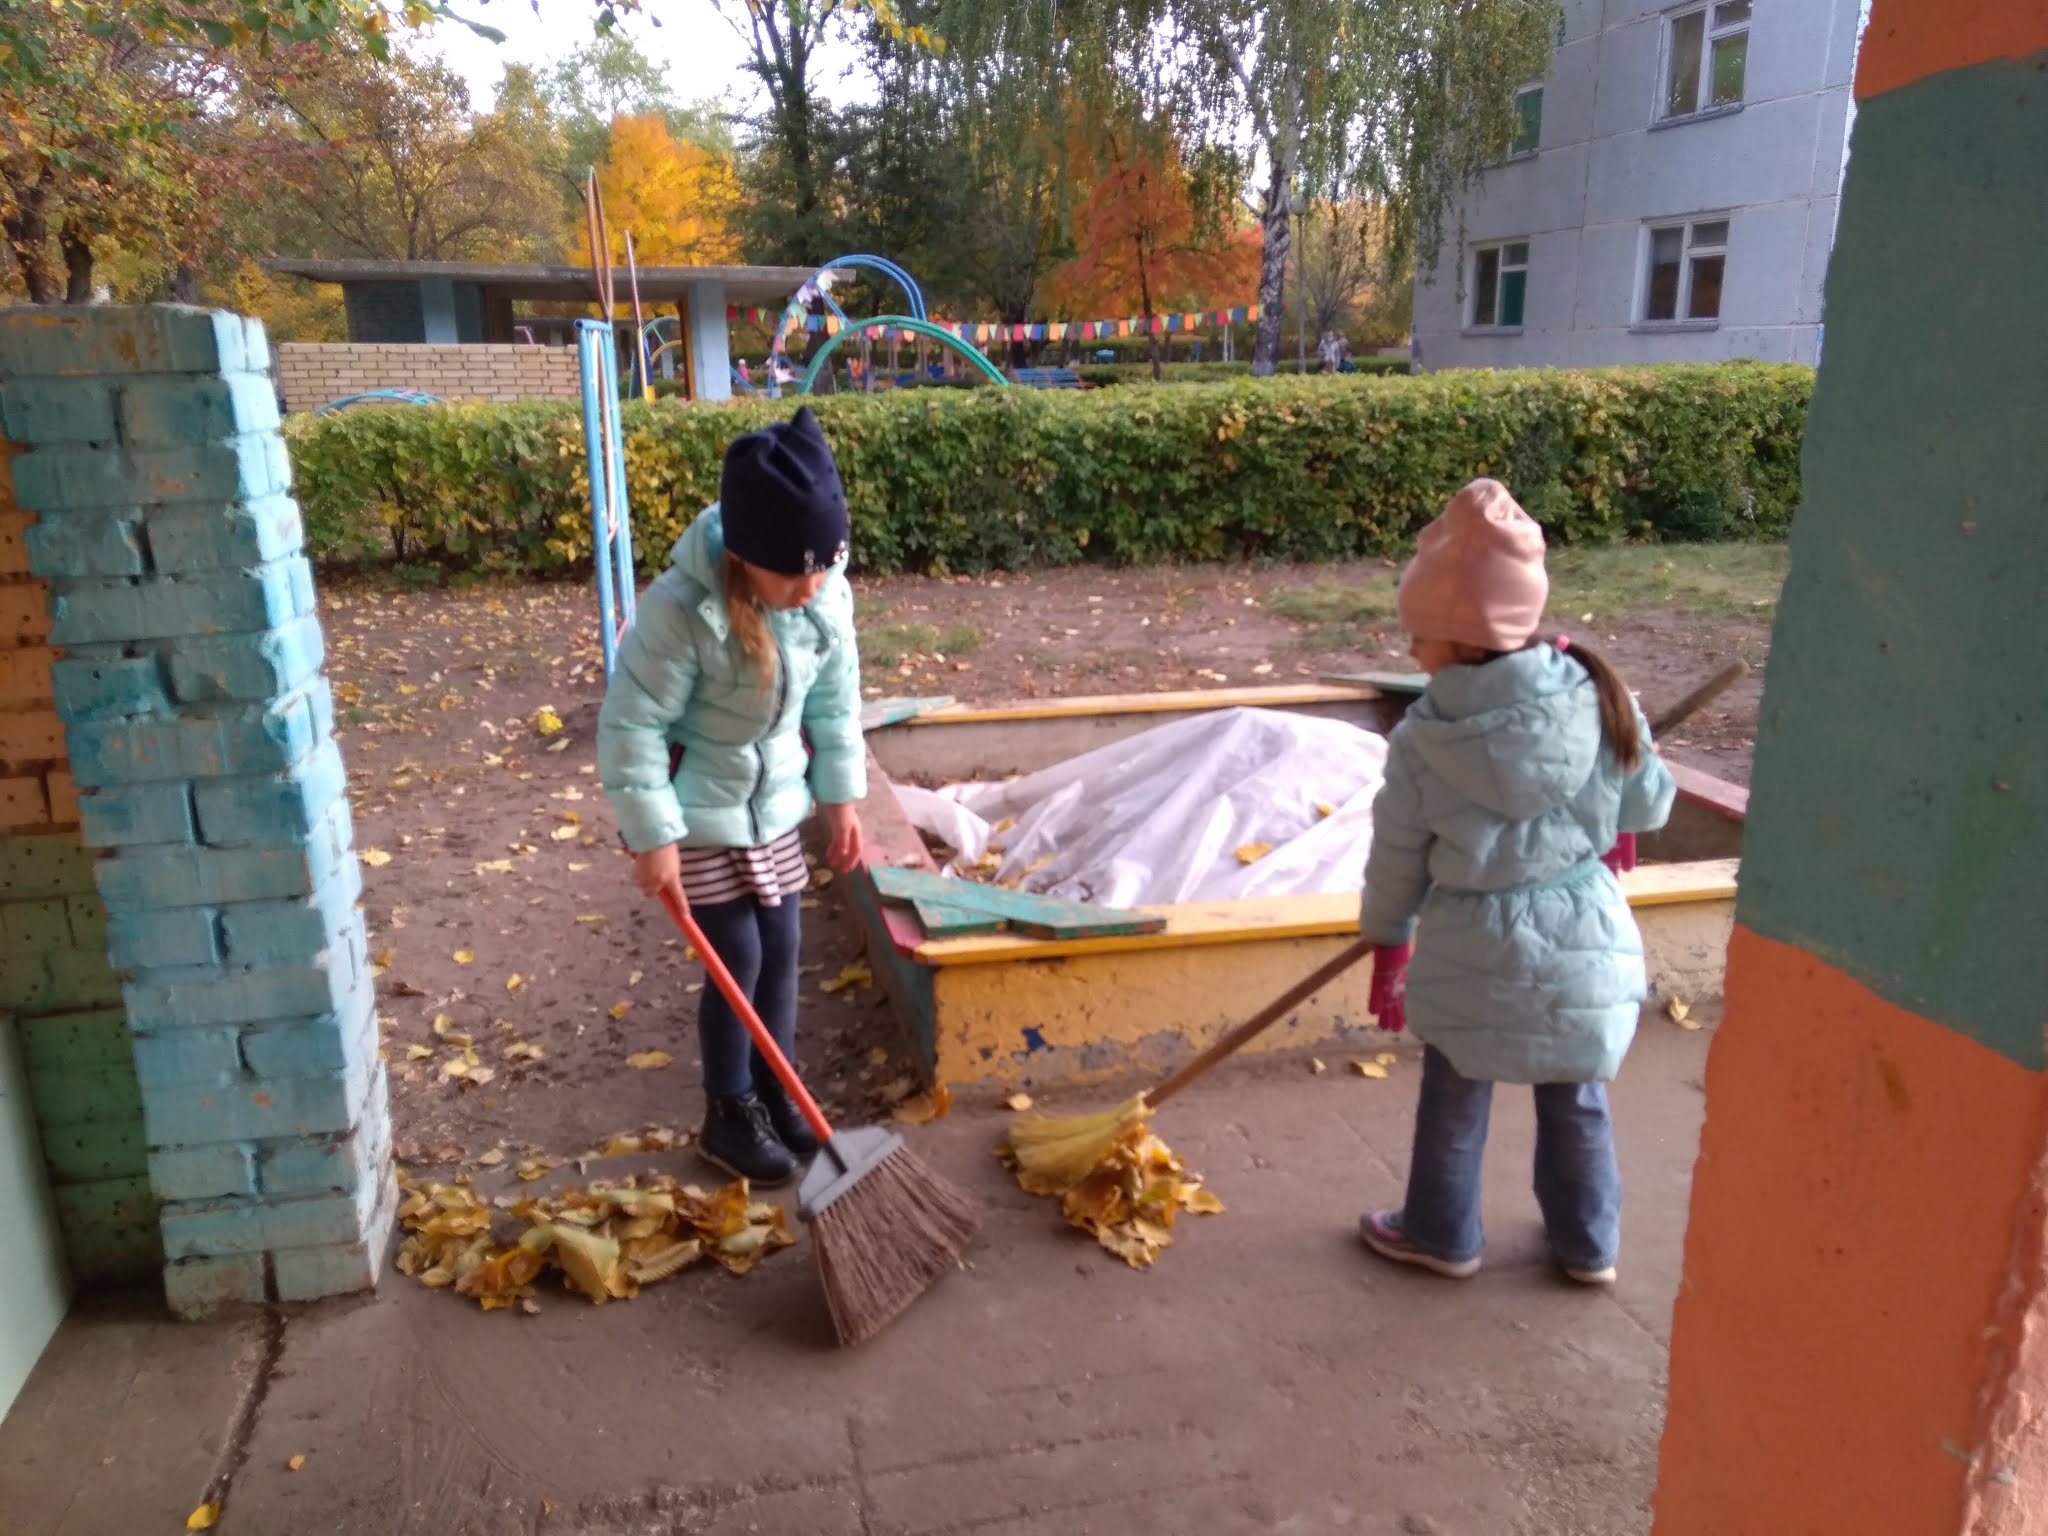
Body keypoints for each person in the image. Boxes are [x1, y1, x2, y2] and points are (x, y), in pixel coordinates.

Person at [1354, 478, 1675, 1285]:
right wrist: (1614, 814)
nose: (1410, 652)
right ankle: (1588, 1245)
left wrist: (1389, 944)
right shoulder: (1600, 694)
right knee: (1577, 1095)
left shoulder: (1425, 738)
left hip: (1473, 944)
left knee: (1455, 1094)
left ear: (1461, 642)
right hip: (1585, 938)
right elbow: (1649, 803)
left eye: (1419, 636)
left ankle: (1441, 1234)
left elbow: (1398, 854)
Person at [598, 406, 867, 1187]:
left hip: (775, 804)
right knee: (737, 955)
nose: (810, 588)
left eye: (823, 566)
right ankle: (729, 1108)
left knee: (782, 947)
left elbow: (835, 705)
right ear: (744, 554)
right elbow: (632, 724)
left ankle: (777, 1087)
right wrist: (652, 836)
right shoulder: (682, 611)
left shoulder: (822, 596)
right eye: (793, 573)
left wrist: (840, 799)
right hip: (698, 812)